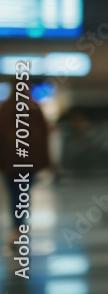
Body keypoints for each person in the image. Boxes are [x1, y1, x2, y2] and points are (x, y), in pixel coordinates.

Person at [0, 81, 52, 252]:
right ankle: (20, 227)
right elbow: (43, 136)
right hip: (28, 162)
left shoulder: (5, 109)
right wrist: (47, 161)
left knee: (14, 194)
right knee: (23, 194)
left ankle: (17, 228)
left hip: (9, 162)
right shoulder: (34, 109)